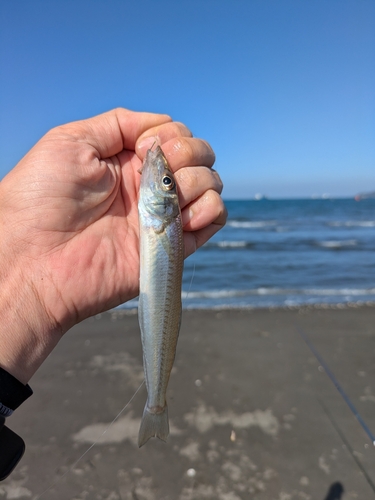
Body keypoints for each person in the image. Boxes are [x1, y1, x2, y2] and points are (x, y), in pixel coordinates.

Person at [0, 108, 226, 479]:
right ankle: (156, 404)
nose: (161, 178)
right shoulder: (155, 217)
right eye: (169, 184)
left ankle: (156, 403)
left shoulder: (161, 220)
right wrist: (20, 266)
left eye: (166, 184)